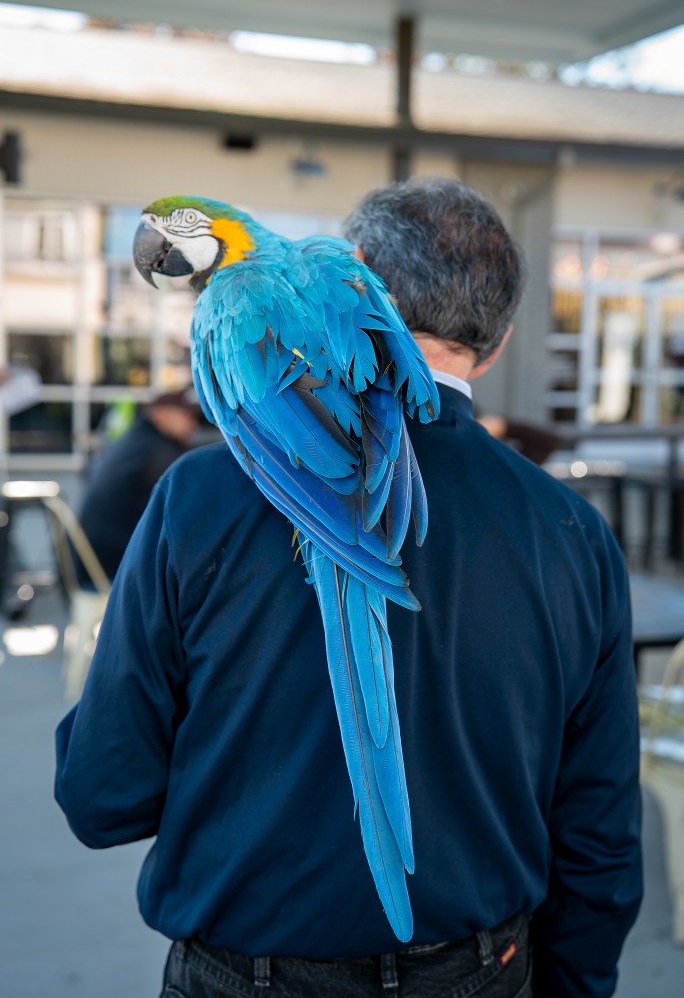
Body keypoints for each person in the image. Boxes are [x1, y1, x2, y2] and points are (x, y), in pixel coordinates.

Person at [54, 178, 641, 998]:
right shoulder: (573, 532)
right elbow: (601, 828)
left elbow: (102, 796)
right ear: (502, 341)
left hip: (243, 973)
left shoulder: (201, 498)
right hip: (484, 971)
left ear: (354, 273)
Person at [73, 387, 201, 586]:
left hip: (93, 559)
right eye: (186, 417)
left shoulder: (137, 439)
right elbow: (189, 508)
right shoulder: (156, 452)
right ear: (161, 414)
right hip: (110, 569)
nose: (193, 425)